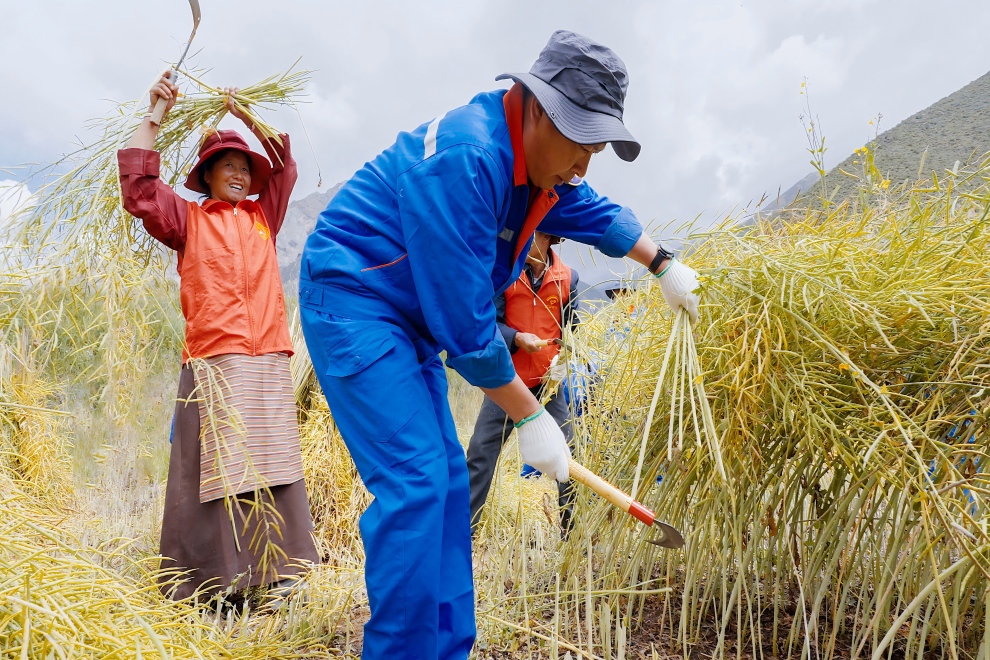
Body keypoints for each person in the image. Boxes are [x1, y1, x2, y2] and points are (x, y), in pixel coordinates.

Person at [298, 30, 700, 658]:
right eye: (580, 143)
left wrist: (663, 264)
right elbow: (466, 329)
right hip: (356, 299)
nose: (582, 165)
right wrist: (532, 415)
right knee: (417, 483)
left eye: (595, 149)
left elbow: (588, 209)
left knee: (451, 482)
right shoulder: (468, 158)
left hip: (409, 320)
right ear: (536, 108)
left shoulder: (539, 167)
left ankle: (448, 648)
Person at [118, 71, 319, 602]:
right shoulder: (186, 219)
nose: (236, 171)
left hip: (268, 357)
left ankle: (276, 576)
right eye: (226, 164)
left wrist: (244, 111)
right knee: (214, 472)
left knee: (270, 462)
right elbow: (138, 189)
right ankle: (211, 583)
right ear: (207, 176)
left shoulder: (263, 217)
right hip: (214, 360)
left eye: (242, 165)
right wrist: (156, 113)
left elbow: (285, 161)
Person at [466, 231, 579, 535]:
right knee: (480, 452)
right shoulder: (504, 274)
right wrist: (516, 338)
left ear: (549, 238)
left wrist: (564, 360)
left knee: (568, 455)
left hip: (548, 383)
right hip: (507, 381)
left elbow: (572, 330)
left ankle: (572, 533)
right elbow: (489, 323)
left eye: (533, 234)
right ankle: (464, 531)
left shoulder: (569, 278)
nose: (524, 239)